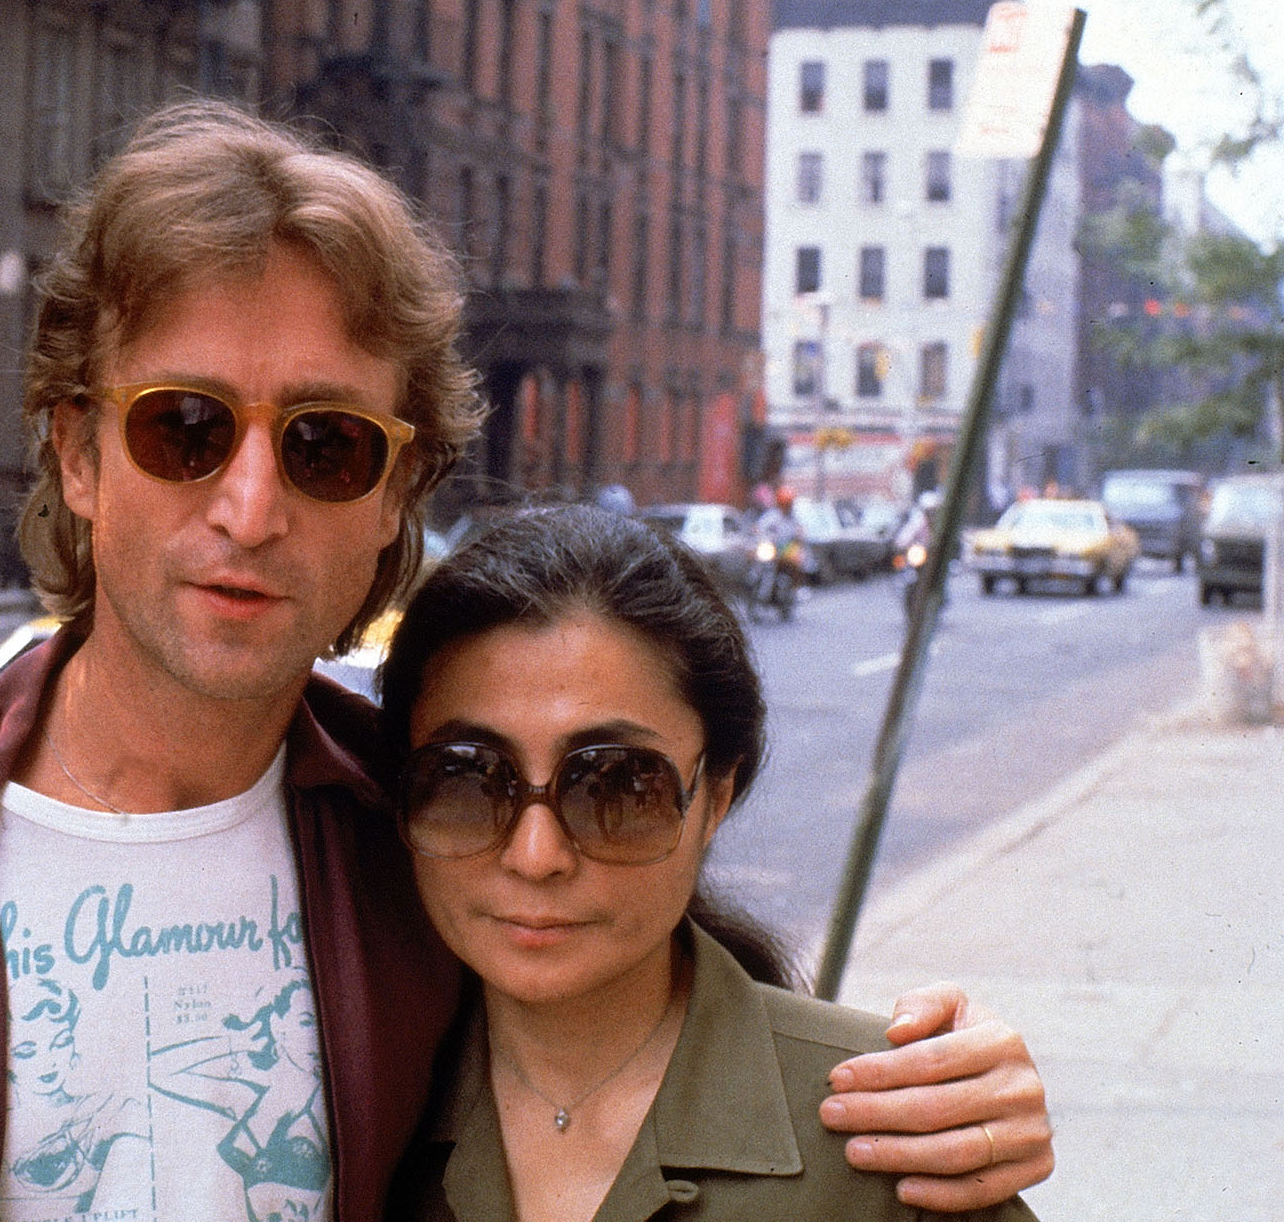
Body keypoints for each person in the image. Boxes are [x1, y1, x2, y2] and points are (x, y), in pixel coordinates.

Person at [0, 100, 1051, 1222]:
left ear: (391, 501)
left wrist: (920, 1083)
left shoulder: (424, 826)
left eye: (324, 444)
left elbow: (638, 999)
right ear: (74, 449)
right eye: (184, 426)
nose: (249, 507)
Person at [379, 505, 1045, 1221]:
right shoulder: (348, 1108)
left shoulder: (892, 1130)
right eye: (467, 778)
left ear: (715, 795)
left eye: (618, 784)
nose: (536, 856)